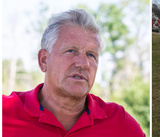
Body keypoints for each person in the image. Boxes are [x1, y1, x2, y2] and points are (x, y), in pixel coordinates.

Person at [3, 9, 146, 137]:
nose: (83, 64)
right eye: (71, 51)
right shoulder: (5, 112)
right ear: (44, 60)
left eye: (91, 55)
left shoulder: (119, 122)